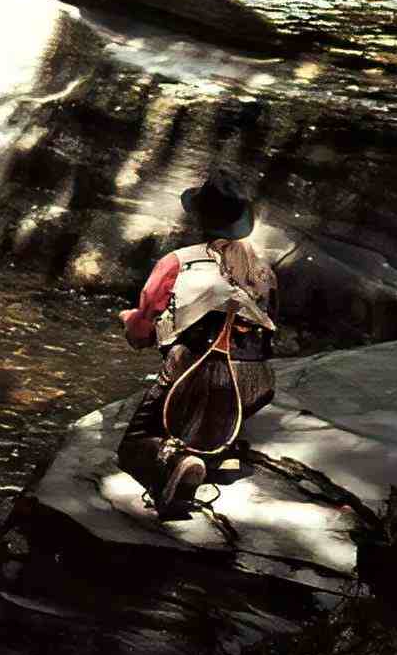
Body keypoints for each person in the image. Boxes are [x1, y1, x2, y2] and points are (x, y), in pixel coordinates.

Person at [116, 171, 279, 517]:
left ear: (200, 218)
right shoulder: (265, 271)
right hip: (255, 384)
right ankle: (221, 449)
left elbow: (141, 336)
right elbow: (267, 334)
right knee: (217, 392)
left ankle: (175, 465)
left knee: (132, 447)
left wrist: (130, 320)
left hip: (195, 373)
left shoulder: (177, 262)